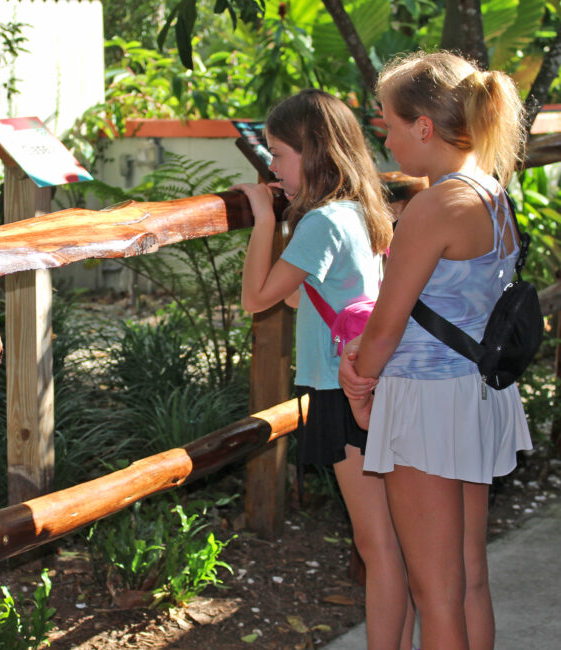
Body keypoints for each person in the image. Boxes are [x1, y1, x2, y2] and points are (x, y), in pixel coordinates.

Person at [339, 51, 533, 649]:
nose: (387, 138)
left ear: (424, 125)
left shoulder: (434, 206)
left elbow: (388, 324)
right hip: (478, 396)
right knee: (469, 579)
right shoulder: (492, 195)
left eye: (390, 124)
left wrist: (358, 379)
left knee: (435, 592)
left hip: (427, 406)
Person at [232, 89, 415, 649]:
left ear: (312, 154)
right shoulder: (362, 210)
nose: (272, 167)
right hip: (377, 382)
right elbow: (298, 300)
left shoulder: (321, 224)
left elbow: (258, 299)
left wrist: (264, 219)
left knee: (377, 545)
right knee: (395, 544)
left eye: (279, 154)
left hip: (341, 393)